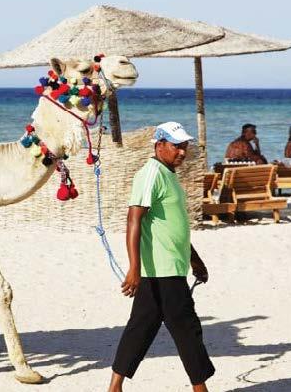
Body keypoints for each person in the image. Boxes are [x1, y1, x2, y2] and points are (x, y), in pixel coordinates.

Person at [108, 122, 214, 392]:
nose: (182, 151)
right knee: (187, 329)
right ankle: (200, 389)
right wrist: (134, 268)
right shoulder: (151, 173)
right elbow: (134, 219)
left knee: (140, 328)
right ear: (159, 146)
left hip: (169, 268)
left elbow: (173, 225)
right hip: (162, 270)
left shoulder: (169, 174)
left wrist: (194, 259)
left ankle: (114, 387)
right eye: (176, 146)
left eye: (184, 146)